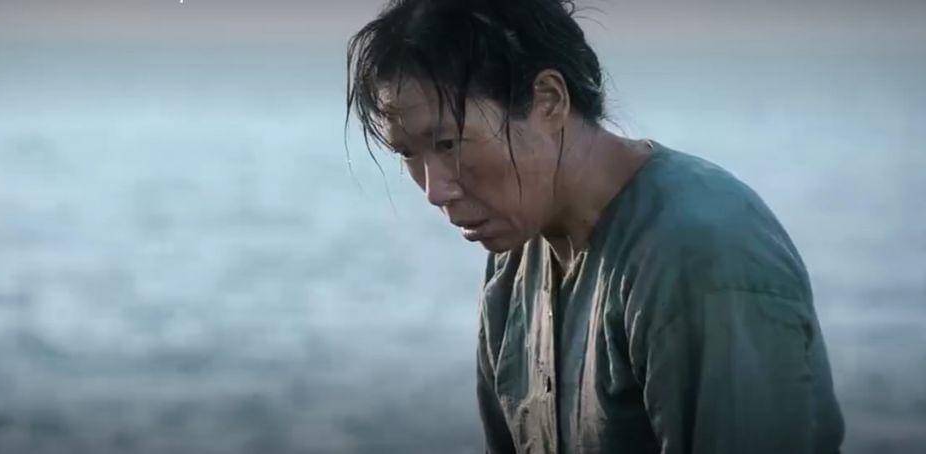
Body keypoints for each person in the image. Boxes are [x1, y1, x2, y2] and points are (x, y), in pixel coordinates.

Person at [345, 0, 845, 453]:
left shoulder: (700, 252)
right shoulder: (517, 257)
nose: (433, 190)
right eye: (408, 154)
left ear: (549, 101)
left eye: (448, 144)